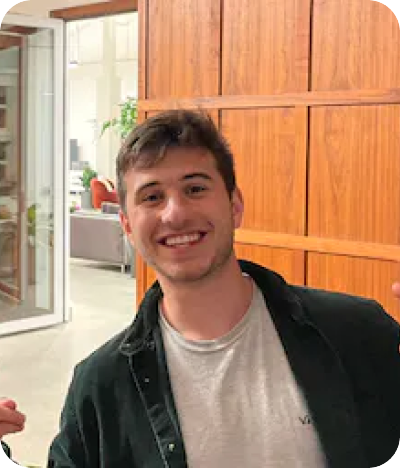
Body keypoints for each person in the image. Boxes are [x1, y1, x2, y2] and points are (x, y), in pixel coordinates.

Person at [1, 110, 400, 467]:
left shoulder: (358, 333)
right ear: (127, 225)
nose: (175, 214)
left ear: (234, 205)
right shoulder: (101, 385)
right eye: (152, 197)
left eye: (195, 189)